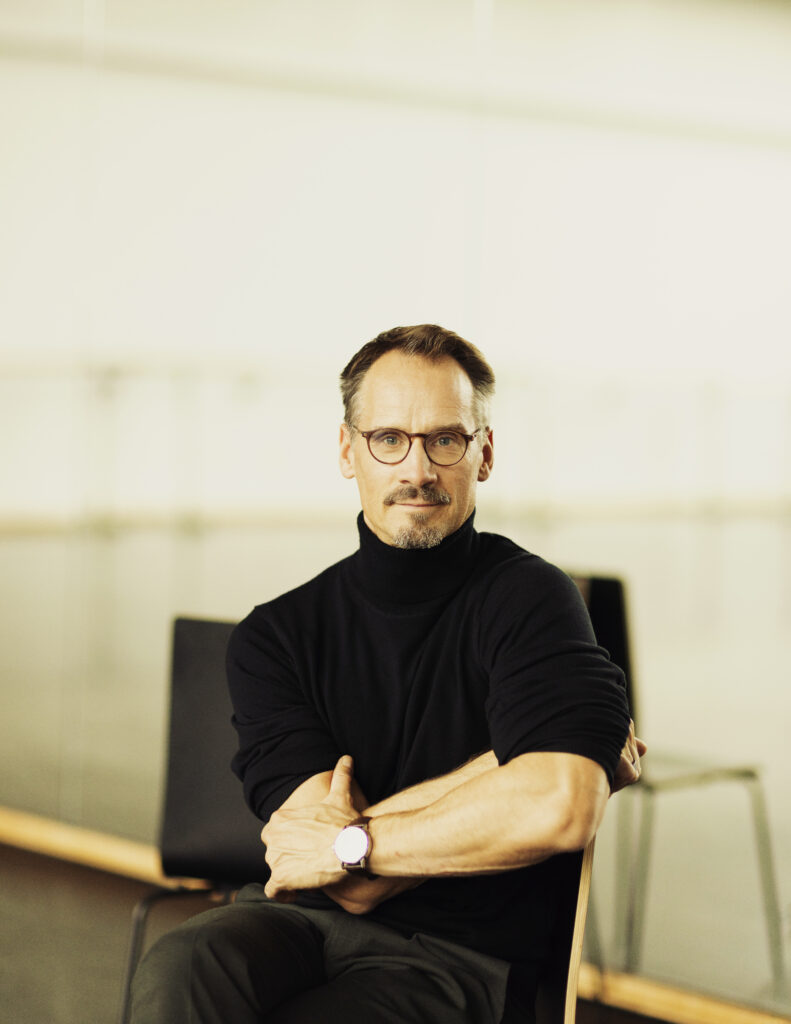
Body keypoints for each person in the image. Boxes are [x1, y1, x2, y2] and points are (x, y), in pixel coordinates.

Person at [130, 324, 645, 1024]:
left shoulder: (532, 598)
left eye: (445, 439)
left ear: (482, 453)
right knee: (182, 963)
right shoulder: (274, 637)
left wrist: (352, 845)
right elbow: (348, 891)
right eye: (389, 440)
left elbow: (560, 806)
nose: (417, 469)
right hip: (295, 922)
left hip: (459, 959)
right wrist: (501, 767)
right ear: (349, 451)